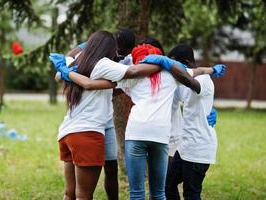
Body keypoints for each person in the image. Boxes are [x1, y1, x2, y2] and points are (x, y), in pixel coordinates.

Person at [53, 35, 225, 199]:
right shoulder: (172, 74)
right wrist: (202, 74)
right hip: (161, 135)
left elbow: (101, 84)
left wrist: (70, 71)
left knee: (136, 193)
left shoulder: (129, 79)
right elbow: (193, 74)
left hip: (136, 134)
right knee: (160, 193)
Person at [56, 29, 136, 200]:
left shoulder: (78, 63)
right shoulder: (103, 64)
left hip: (68, 131)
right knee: (84, 196)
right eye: (116, 49)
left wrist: (108, 85)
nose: (119, 53)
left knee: (69, 193)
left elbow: (61, 75)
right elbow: (132, 73)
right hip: (88, 132)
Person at [165, 44, 220, 200]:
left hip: (199, 147)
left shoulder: (204, 80)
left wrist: (206, 70)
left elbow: (192, 84)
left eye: (176, 65)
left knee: (191, 193)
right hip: (185, 146)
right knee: (167, 186)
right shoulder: (184, 83)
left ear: (187, 62)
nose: (173, 70)